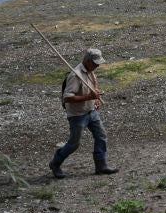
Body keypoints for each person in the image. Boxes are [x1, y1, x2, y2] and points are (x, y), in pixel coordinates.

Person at [49, 48, 119, 178]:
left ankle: (101, 166)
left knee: (101, 136)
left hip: (90, 111)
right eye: (95, 63)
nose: (97, 65)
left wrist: (95, 99)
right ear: (86, 61)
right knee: (73, 144)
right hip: (77, 115)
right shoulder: (75, 75)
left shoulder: (91, 72)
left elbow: (93, 88)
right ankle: (56, 163)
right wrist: (89, 98)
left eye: (98, 63)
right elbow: (67, 97)